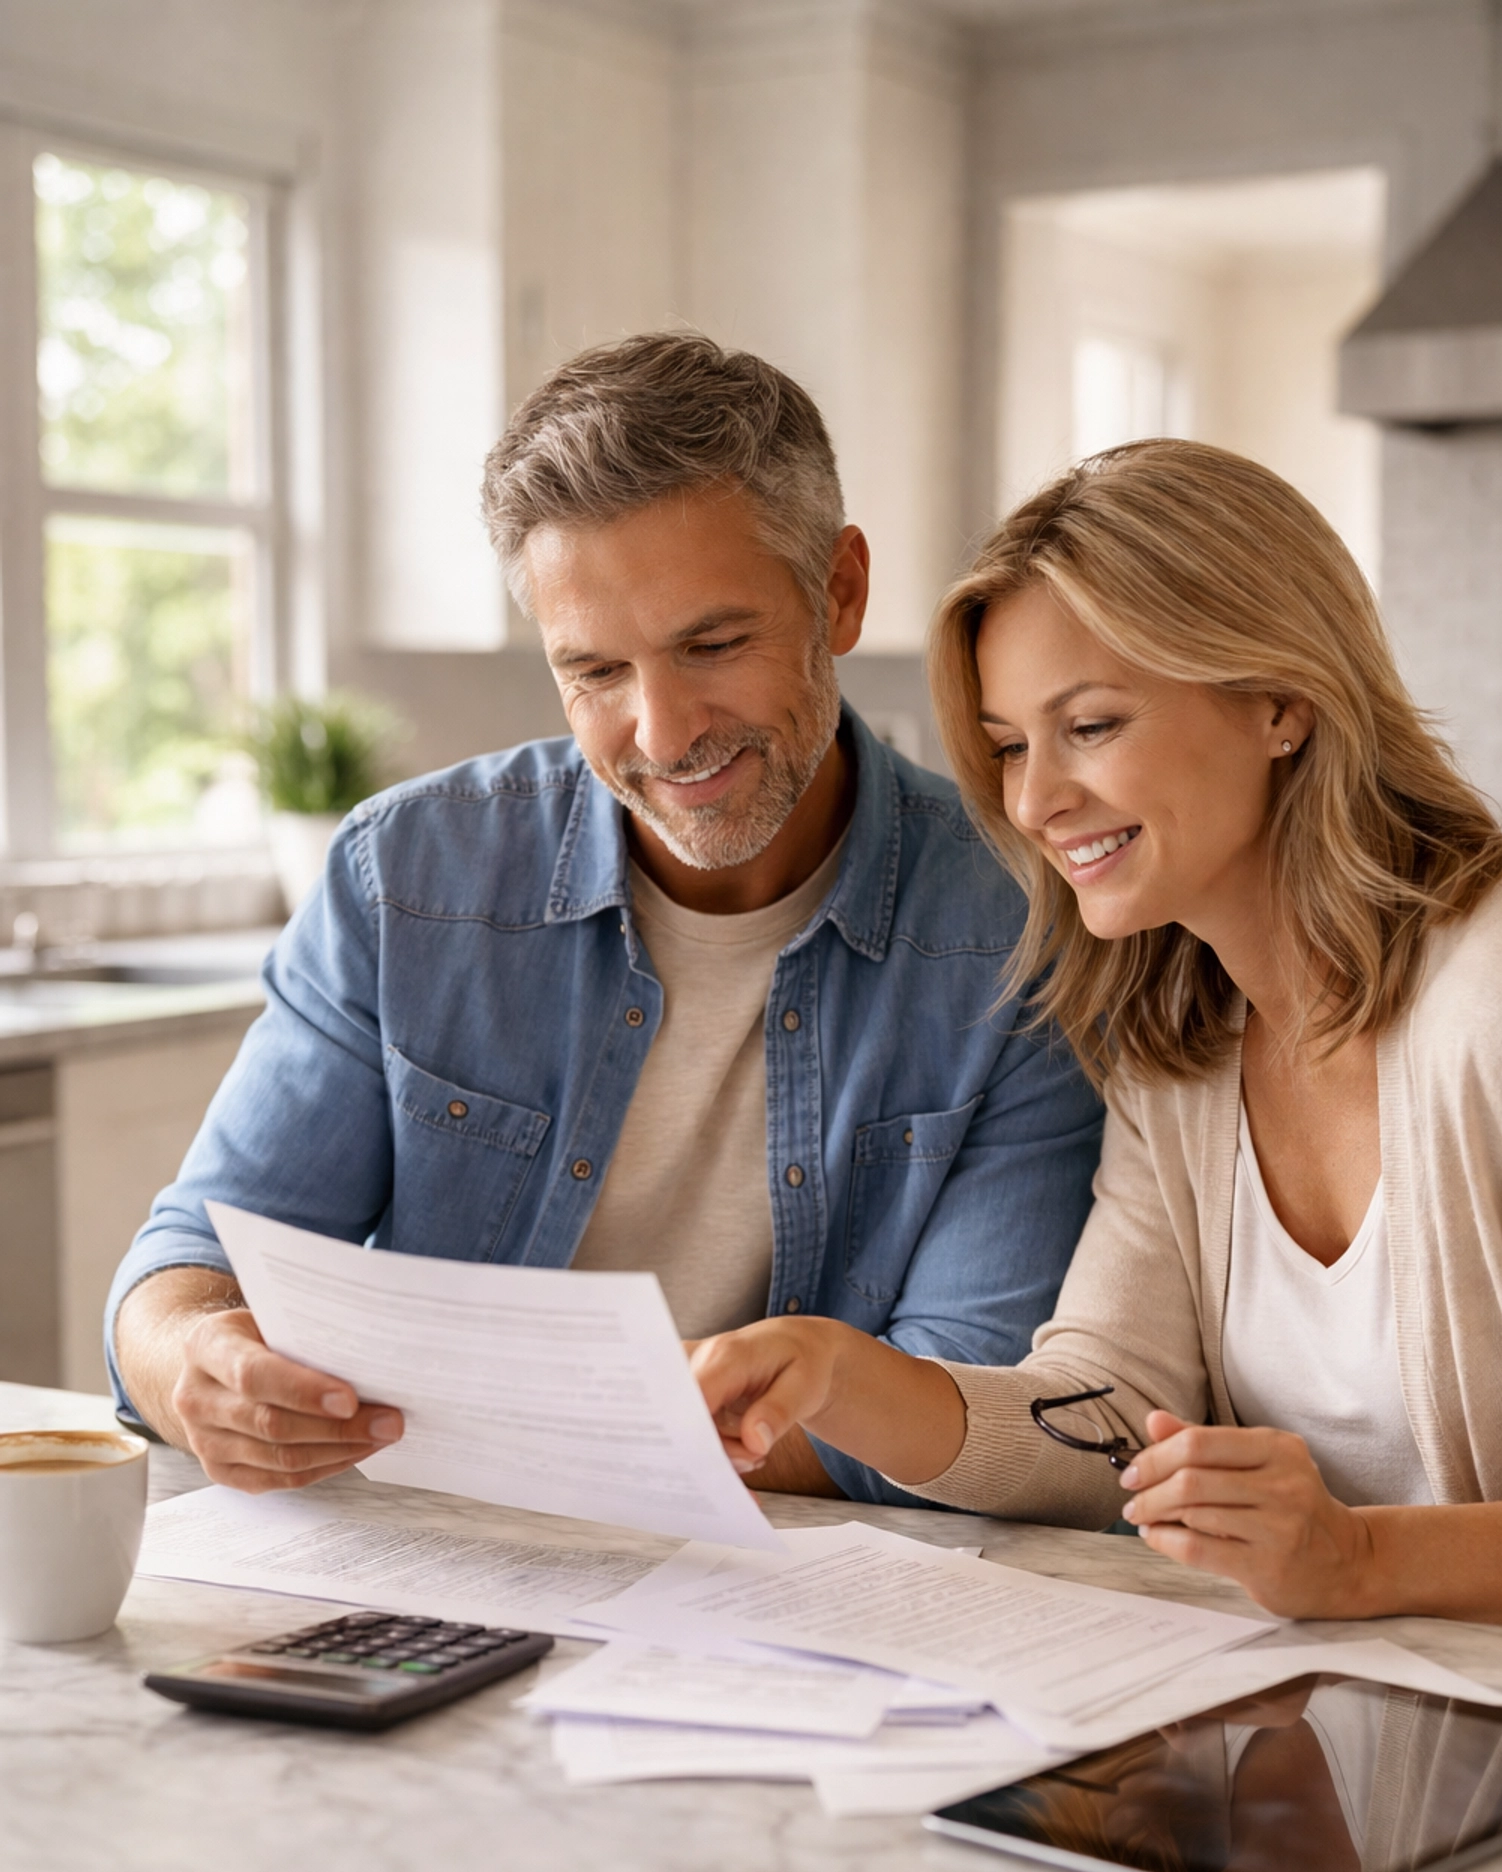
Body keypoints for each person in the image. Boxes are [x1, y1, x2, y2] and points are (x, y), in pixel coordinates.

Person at [108, 332, 1102, 1500]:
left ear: (839, 591)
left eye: (713, 645)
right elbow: (189, 1263)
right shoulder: (410, 876)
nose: (665, 733)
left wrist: (554, 1440)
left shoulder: (1022, 924)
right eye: (594, 672)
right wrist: (198, 1366)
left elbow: (958, 1412)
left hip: (809, 1601)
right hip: (447, 1563)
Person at [692, 437, 1502, 1621]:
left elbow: (1344, 1561)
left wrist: (1362, 1561)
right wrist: (841, 1374)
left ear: (1280, 701)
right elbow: (1101, 1416)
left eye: (1090, 726)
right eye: (1007, 747)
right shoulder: (1179, 1045)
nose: (1035, 802)